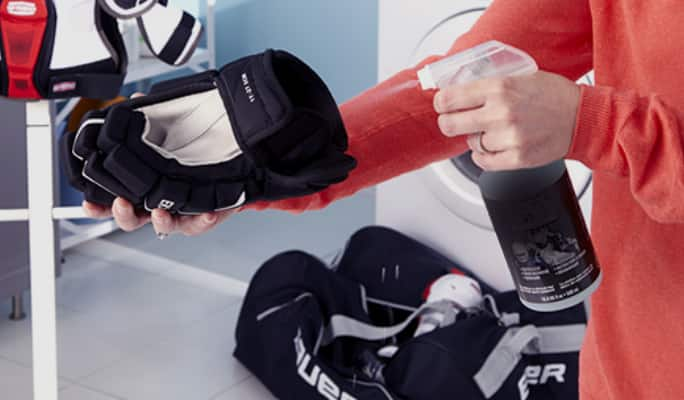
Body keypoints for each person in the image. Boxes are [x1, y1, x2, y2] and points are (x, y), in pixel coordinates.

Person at [84, 1, 684, 398]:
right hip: (620, 365)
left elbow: (597, 124)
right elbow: (453, 84)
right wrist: (261, 167)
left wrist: (594, 126)